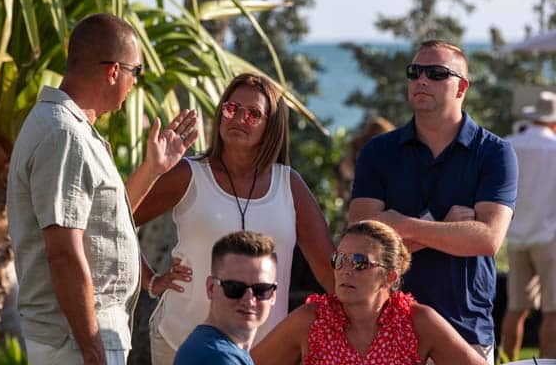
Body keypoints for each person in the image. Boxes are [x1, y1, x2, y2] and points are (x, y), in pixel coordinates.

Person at [7, 13, 198, 365]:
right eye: (135, 71)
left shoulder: (71, 130)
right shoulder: (64, 134)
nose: (135, 83)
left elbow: (105, 221)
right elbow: (63, 253)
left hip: (81, 338)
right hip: (75, 341)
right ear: (113, 72)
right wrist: (93, 350)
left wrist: (153, 169)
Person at [134, 73, 335, 364]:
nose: (239, 118)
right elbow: (116, 218)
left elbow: (329, 269)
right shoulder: (189, 174)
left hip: (264, 351)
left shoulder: (289, 185)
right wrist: (149, 279)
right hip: (181, 342)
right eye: (232, 108)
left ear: (271, 126)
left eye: (253, 114)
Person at [348, 40, 518, 363]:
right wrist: (447, 229)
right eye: (414, 72)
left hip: (465, 330)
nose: (422, 80)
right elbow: (362, 243)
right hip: (384, 328)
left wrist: (399, 225)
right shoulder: (378, 152)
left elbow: (487, 239)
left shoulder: (495, 153)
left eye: (437, 73)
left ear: (462, 87)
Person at [251, 220, 485, 364]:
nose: (345, 270)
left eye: (359, 262)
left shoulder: (418, 322)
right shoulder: (311, 320)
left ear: (390, 276)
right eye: (339, 260)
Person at [501, 91, 556, 360]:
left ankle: (506, 360)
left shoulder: (508, 144)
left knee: (515, 309)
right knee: (553, 312)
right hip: (550, 238)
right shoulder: (554, 148)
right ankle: (546, 362)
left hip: (515, 237)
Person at [174, 231, 277, 365]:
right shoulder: (216, 357)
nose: (249, 300)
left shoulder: (209, 347)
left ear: (273, 295)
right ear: (211, 288)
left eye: (261, 289)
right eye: (235, 287)